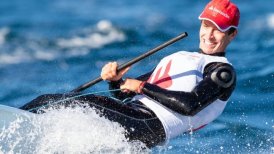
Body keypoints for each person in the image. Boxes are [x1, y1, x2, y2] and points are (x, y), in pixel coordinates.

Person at [20, 0, 240, 148]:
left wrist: (140, 86)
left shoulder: (222, 72)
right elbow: (124, 95)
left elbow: (190, 105)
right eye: (206, 26)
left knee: (49, 101)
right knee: (56, 111)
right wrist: (116, 82)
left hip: (151, 124)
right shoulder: (182, 57)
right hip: (133, 114)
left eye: (218, 29)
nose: (209, 35)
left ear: (231, 34)